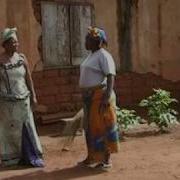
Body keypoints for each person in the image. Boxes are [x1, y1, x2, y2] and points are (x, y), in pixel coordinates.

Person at [0, 27, 44, 167]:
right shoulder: (0, 61)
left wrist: (34, 96)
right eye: (13, 42)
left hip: (23, 100)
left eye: (16, 42)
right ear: (5, 44)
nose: (16, 45)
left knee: (27, 127)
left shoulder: (21, 58)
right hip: (7, 103)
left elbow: (28, 79)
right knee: (10, 130)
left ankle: (30, 155)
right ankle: (12, 157)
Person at [79, 26, 120, 169]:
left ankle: (105, 160)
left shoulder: (104, 55)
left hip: (100, 95)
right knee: (89, 128)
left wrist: (107, 96)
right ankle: (91, 157)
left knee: (102, 127)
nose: (86, 41)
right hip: (89, 97)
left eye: (88, 39)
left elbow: (110, 75)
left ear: (97, 41)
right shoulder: (91, 55)